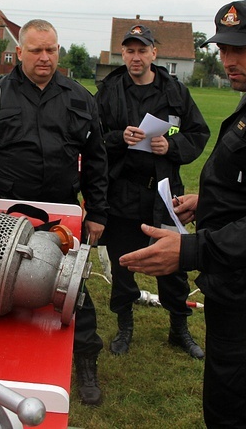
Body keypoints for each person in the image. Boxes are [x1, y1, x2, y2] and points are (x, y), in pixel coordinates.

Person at [118, 0, 246, 427]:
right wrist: (209, 202)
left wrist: (190, 251)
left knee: (235, 408)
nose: (229, 60)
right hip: (240, 274)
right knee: (232, 395)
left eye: (241, 49)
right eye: (223, 49)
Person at [0, 19, 109, 406]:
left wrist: (97, 211)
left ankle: (86, 359)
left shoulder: (78, 97)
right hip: (7, 212)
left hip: (61, 213)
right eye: (37, 50)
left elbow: (96, 159)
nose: (45, 57)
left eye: (52, 50)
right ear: (19, 52)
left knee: (72, 287)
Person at [95, 25, 210, 358]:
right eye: (129, 51)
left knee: (173, 263)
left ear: (153, 54)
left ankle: (179, 329)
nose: (135, 57)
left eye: (142, 50)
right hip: (123, 193)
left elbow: (198, 133)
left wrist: (171, 146)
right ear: (123, 54)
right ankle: (124, 325)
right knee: (123, 262)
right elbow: (91, 135)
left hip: (163, 193)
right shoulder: (110, 90)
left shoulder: (174, 91)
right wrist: (118, 138)